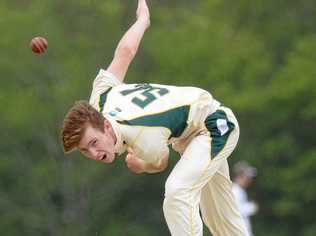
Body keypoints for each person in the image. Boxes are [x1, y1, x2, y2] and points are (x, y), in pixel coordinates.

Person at [61, 1, 248, 235]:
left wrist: (141, 165)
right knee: (220, 219)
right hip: (193, 133)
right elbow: (124, 53)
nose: (93, 153)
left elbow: (160, 162)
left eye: (93, 143)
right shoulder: (99, 101)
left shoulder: (141, 135)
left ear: (107, 126)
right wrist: (142, 22)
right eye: (85, 150)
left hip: (213, 127)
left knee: (178, 192)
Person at [232, 161, 259, 236]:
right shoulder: (235, 191)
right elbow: (236, 211)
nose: (249, 180)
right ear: (239, 176)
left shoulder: (240, 190)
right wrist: (252, 207)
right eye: (247, 177)